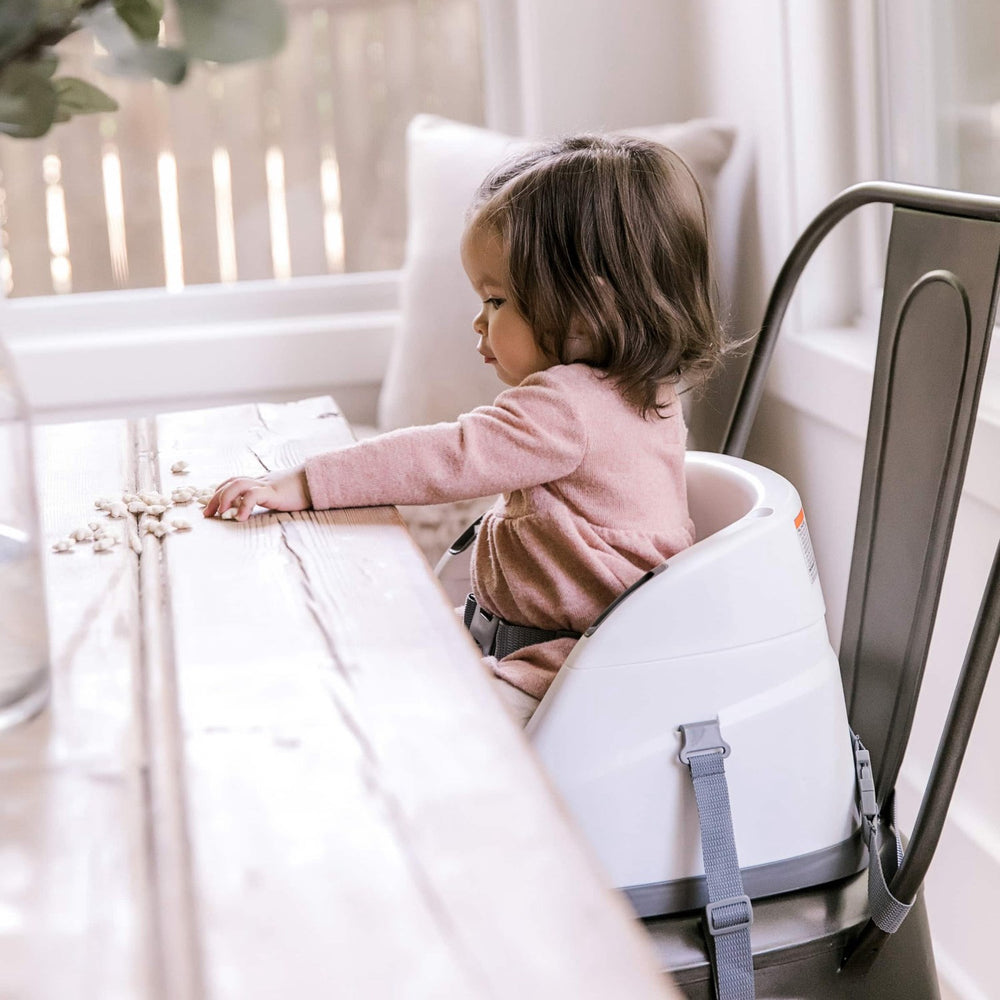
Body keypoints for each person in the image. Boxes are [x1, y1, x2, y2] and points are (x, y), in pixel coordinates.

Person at [205, 133, 726, 726]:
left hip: (566, 669)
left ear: (587, 311)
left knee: (407, 720)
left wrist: (303, 482)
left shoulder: (566, 408)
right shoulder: (649, 392)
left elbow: (449, 455)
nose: (479, 321)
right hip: (546, 644)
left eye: (496, 300)